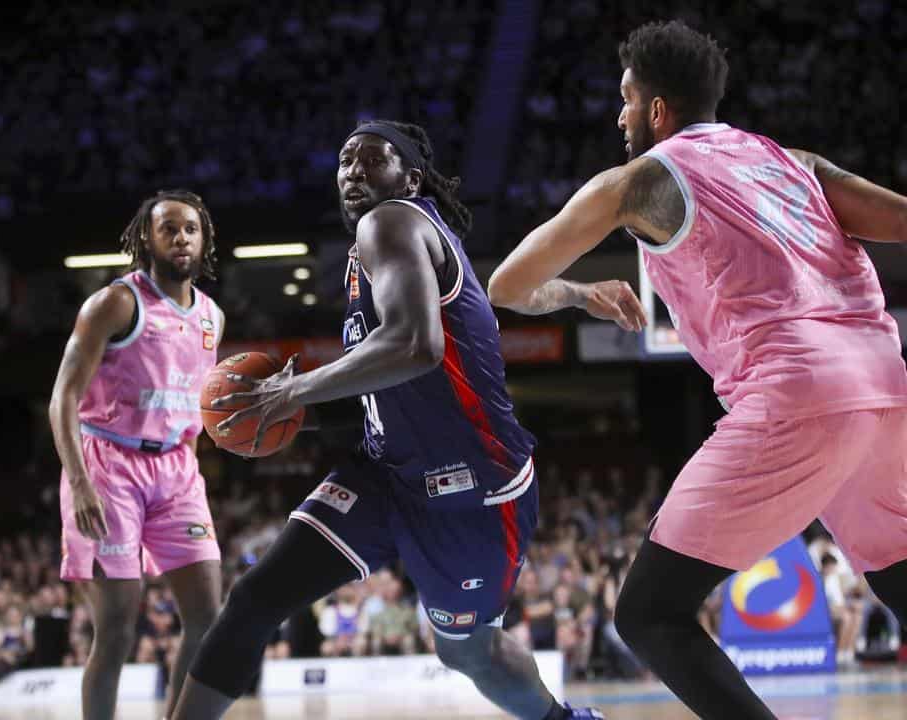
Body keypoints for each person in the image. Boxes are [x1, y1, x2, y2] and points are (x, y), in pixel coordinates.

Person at [487, 20, 907, 719]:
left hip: (795, 393)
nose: (619, 115)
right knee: (899, 574)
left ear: (657, 110)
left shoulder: (638, 180)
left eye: (626, 99)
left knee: (650, 613)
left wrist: (576, 294)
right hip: (886, 385)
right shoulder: (792, 160)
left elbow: (507, 283)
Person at [172, 121, 600, 720]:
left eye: (372, 159)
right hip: (387, 473)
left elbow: (414, 345)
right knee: (255, 598)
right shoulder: (368, 252)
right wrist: (287, 414)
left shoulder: (394, 221)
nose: (352, 170)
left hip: (473, 486)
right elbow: (383, 390)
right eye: (345, 159)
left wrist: (295, 389)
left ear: (411, 178)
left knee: (469, 653)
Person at [49, 189, 225, 720]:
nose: (181, 237)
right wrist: (79, 482)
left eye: (190, 228)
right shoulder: (115, 303)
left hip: (177, 470)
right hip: (108, 465)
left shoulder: (212, 317)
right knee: (119, 627)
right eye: (168, 228)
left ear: (204, 238)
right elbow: (64, 397)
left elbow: (195, 400)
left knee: (208, 619)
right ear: (146, 238)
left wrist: (193, 466)